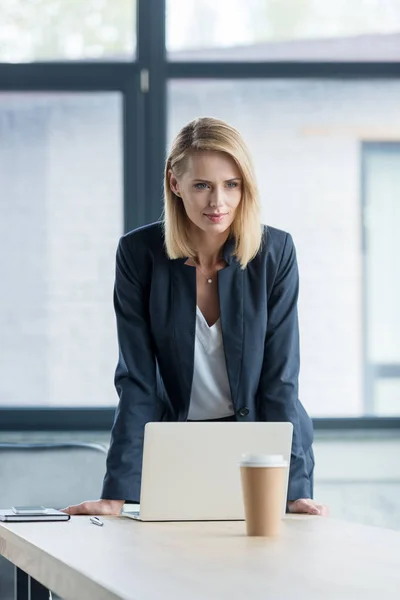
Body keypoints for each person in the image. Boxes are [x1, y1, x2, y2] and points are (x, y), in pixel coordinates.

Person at [64, 117, 328, 518]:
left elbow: (280, 378)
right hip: (176, 447)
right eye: (202, 185)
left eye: (231, 185)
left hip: (259, 447)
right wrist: (117, 491)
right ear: (175, 183)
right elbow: (136, 379)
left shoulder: (275, 252)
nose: (217, 202)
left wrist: (293, 488)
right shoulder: (139, 254)